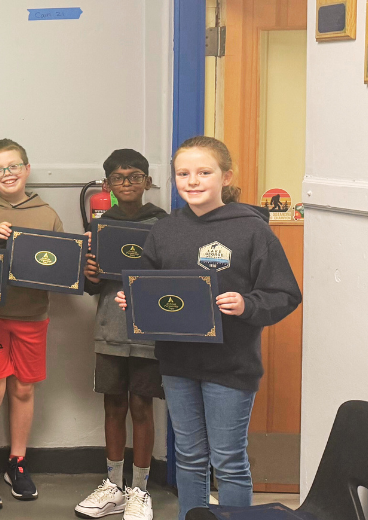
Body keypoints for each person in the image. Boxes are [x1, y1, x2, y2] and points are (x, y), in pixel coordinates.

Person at [116, 137, 300, 520]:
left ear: (225, 176)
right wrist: (131, 299)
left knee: (229, 459)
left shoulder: (252, 230)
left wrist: (247, 303)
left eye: (204, 172)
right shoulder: (165, 230)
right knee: (189, 455)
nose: (192, 181)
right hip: (178, 363)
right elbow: (148, 285)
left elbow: (284, 293)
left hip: (230, 365)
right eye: (183, 173)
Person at [0, 138, 63, 507]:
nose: (8, 173)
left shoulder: (47, 212)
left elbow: (61, 267)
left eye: (14, 166)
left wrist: (78, 255)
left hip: (34, 317)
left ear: (27, 168)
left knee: (23, 390)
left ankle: (17, 462)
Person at [74, 149, 168, 520]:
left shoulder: (164, 224)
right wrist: (90, 273)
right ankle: (113, 485)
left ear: (147, 181)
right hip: (110, 329)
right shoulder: (101, 224)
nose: (126, 184)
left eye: (134, 177)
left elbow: (172, 281)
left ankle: (139, 491)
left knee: (142, 406)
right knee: (113, 404)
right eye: (118, 178)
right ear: (107, 184)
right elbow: (91, 286)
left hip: (149, 332)